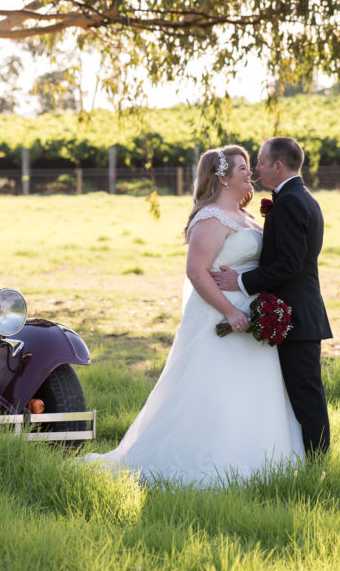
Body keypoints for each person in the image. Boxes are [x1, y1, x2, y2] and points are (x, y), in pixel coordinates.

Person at [83, 145, 304, 485]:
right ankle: (210, 462)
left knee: (251, 391)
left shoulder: (246, 218)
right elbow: (197, 271)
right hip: (222, 319)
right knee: (218, 390)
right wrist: (230, 311)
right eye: (242, 168)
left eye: (250, 167)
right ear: (222, 177)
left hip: (251, 322)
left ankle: (261, 462)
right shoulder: (210, 218)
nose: (250, 173)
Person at [211, 136, 332, 454]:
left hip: (298, 315)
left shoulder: (290, 201)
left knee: (305, 395)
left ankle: (317, 464)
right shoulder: (297, 196)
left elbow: (289, 265)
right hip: (298, 312)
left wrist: (241, 280)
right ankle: (306, 459)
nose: (257, 169)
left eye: (261, 163)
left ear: (278, 166)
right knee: (300, 393)